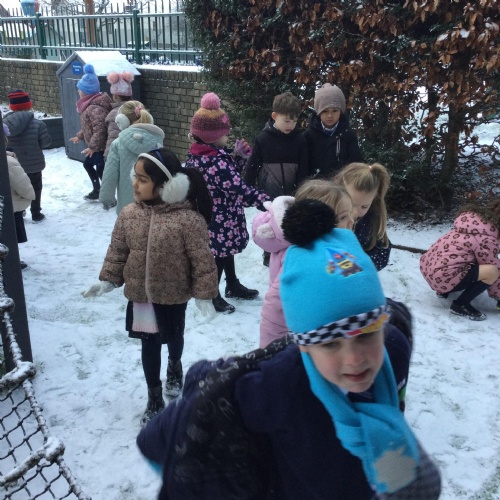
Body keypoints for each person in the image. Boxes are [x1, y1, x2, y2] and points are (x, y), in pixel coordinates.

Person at [136, 199, 441, 500]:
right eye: (330, 343)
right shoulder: (281, 383)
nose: (354, 358)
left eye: (366, 335)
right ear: (304, 346)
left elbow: (394, 409)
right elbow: (198, 408)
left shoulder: (394, 350)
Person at [82, 147, 218, 425]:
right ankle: (154, 395)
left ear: (167, 185)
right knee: (149, 344)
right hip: (141, 296)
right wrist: (108, 280)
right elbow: (118, 251)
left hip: (173, 295)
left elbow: (202, 260)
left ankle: (175, 365)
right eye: (135, 176)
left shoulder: (188, 220)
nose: (135, 183)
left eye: (143, 179)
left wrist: (205, 294)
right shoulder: (129, 214)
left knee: (174, 337)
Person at [185, 92, 270, 314]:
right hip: (221, 217)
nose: (228, 136)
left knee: (225, 250)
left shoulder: (201, 155)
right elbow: (238, 188)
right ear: (212, 137)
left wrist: (237, 158)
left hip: (214, 214)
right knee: (221, 255)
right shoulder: (216, 162)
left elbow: (224, 176)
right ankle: (212, 294)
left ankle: (232, 284)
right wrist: (265, 201)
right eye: (225, 134)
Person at [253, 179, 354, 348]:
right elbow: (276, 310)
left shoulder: (330, 248)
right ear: (318, 221)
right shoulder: (300, 258)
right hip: (299, 337)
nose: (352, 221)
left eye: (351, 214)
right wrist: (272, 349)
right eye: (343, 217)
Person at [420, 199, 500, 321]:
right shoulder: (487, 238)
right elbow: (493, 266)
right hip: (442, 278)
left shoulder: (472, 223)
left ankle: (444, 292)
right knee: (492, 271)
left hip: (430, 270)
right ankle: (460, 305)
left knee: (466, 259)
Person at [99, 101, 164, 213]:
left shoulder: (117, 144)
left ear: (122, 121)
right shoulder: (158, 142)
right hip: (152, 202)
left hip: (127, 206)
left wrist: (106, 198)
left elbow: (110, 175)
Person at [243, 91, 309, 199]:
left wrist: (302, 195)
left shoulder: (299, 141)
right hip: (267, 198)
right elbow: (251, 169)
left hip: (292, 198)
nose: (291, 125)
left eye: (294, 121)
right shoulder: (263, 139)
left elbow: (303, 171)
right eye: (287, 121)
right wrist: (247, 195)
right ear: (274, 116)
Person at [3, 89, 51, 222]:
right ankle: (36, 213)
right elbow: (46, 142)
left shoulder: (5, 125)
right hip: (34, 163)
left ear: (11, 106)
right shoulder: (38, 124)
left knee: (17, 188)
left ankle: (20, 211)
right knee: (36, 187)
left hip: (13, 164)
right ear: (29, 105)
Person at [334, 162, 392, 271]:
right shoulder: (327, 215)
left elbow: (382, 252)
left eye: (364, 206)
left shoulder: (372, 220)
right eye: (351, 203)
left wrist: (360, 265)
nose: (356, 212)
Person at [70, 64, 112, 201]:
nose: (78, 92)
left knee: (98, 168)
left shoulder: (94, 107)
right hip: (96, 146)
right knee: (92, 166)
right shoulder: (89, 106)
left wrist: (93, 146)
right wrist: (80, 136)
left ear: (86, 92)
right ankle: (99, 191)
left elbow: (100, 129)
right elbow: (89, 127)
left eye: (80, 89)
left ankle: (106, 194)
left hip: (100, 146)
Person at [304, 83, 363, 178]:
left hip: (341, 185)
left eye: (335, 111)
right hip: (315, 185)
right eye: (325, 111)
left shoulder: (348, 136)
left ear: (341, 111)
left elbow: (357, 166)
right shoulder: (308, 136)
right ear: (318, 112)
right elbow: (303, 167)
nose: (330, 115)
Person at [4, 122, 35, 269]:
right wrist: (29, 197)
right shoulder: (8, 162)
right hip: (10, 206)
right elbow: (23, 186)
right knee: (10, 236)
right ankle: (11, 261)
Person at [104, 70, 135, 159]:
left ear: (116, 96)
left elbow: (113, 137)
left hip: (121, 155)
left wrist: (107, 156)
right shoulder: (138, 108)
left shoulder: (115, 114)